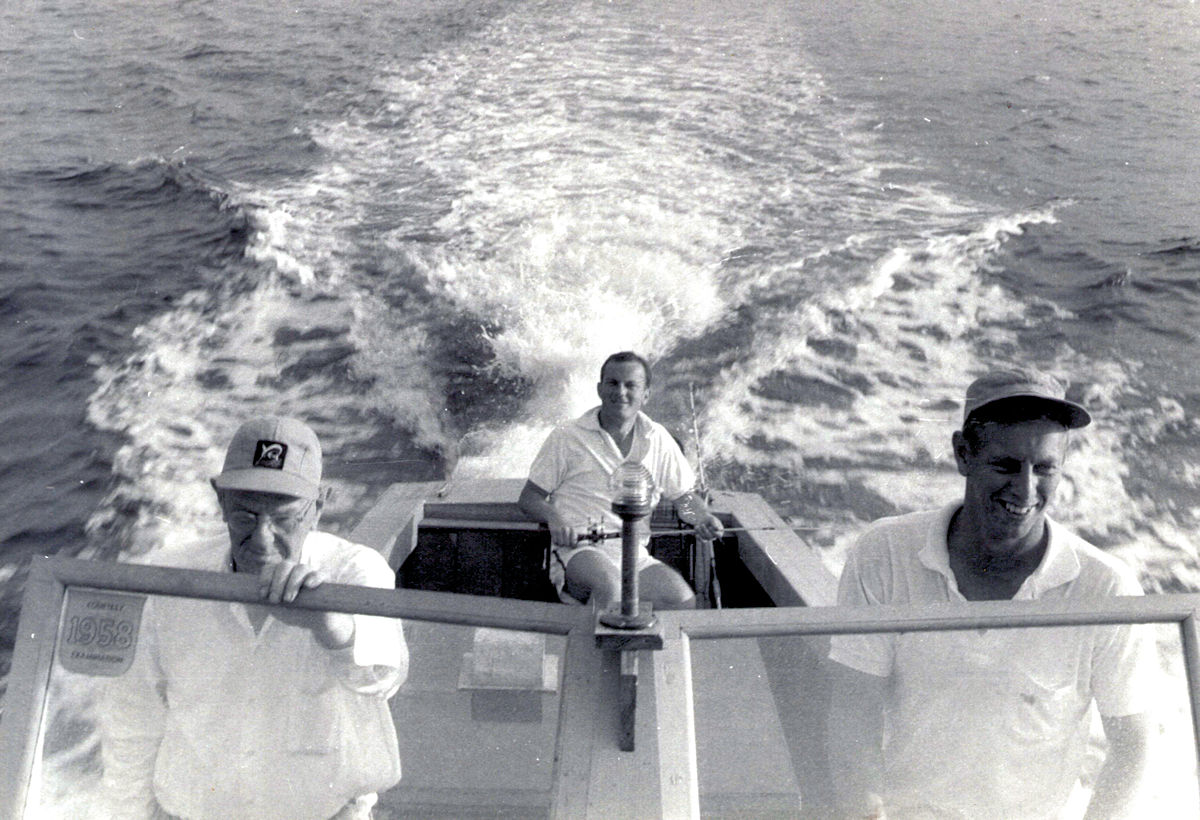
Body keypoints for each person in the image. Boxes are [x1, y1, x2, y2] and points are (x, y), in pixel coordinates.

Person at [827, 368, 1156, 820]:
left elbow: (1133, 749)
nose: (1024, 489)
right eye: (1005, 465)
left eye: (1044, 468)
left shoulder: (1107, 589)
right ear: (962, 453)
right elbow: (851, 717)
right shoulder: (883, 552)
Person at [100, 416, 408, 820]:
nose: (263, 539)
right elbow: (132, 721)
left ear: (318, 506)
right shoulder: (168, 579)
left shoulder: (356, 571)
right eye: (246, 517)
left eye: (284, 520)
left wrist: (330, 626)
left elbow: (383, 677)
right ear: (220, 499)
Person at [518, 351, 724, 609]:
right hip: (578, 553)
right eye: (613, 383)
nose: (621, 392)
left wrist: (703, 517)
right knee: (611, 588)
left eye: (631, 385)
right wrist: (554, 518)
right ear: (599, 389)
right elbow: (529, 498)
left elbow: (684, 499)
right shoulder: (566, 436)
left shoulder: (659, 438)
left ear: (646, 394)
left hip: (635, 557)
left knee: (681, 600)